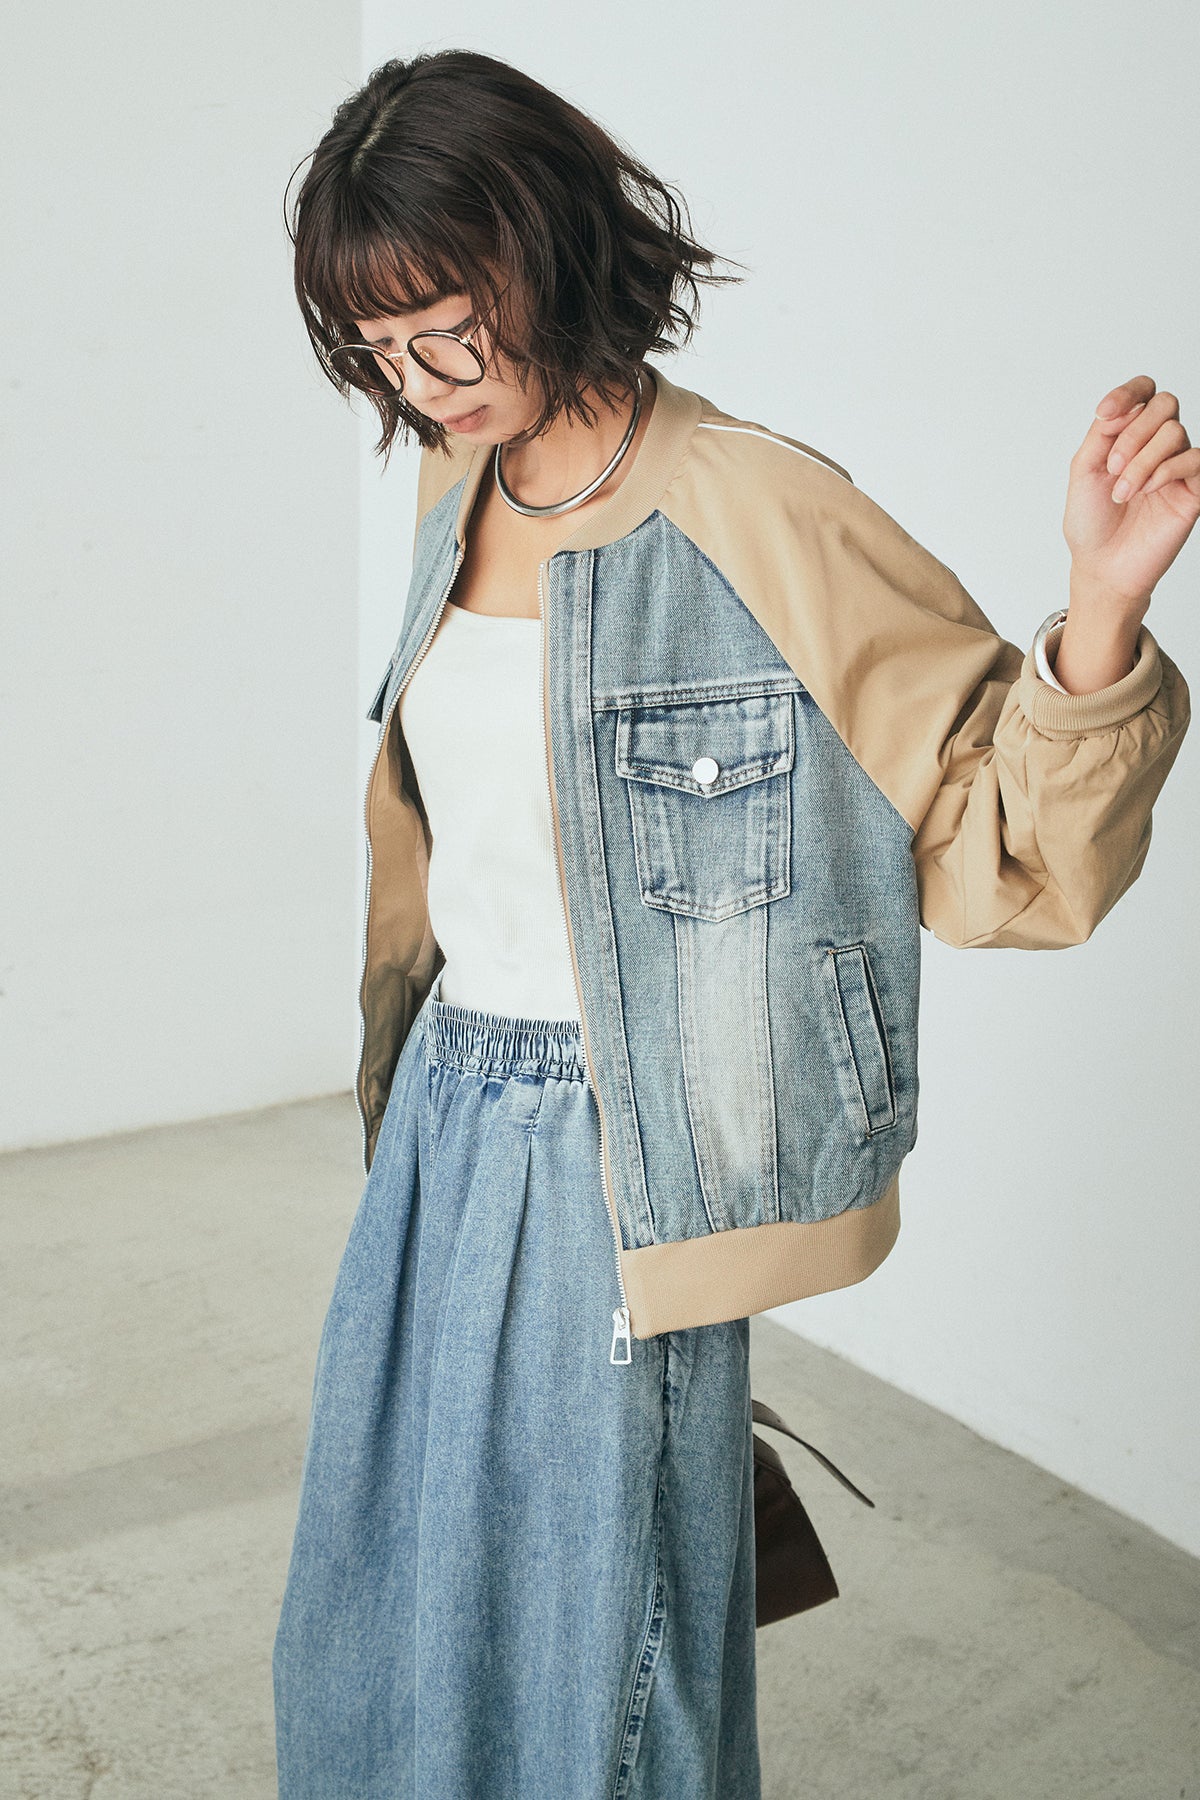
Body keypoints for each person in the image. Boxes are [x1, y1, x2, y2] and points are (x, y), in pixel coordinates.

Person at [271, 47, 1195, 1800]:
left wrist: (1098, 607)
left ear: (547, 251)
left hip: (634, 1157)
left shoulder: (756, 508)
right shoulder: (453, 483)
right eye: (380, 350)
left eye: (449, 328)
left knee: (606, 1662)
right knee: (391, 1601)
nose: (425, 382)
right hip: (446, 1115)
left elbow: (1003, 849)